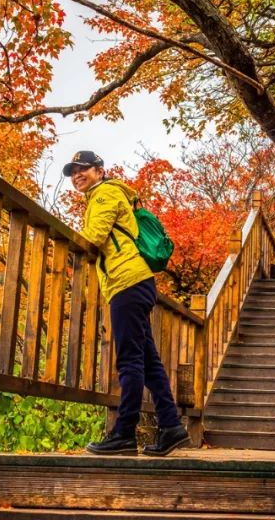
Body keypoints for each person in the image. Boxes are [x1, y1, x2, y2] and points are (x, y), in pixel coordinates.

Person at [63, 150, 189, 457]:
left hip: (126, 282)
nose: (77, 175)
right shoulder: (106, 194)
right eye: (73, 172)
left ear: (99, 170)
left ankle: (123, 433)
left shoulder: (104, 194)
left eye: (83, 169)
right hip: (136, 282)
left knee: (130, 361)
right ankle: (171, 427)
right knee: (148, 362)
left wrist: (68, 244)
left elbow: (94, 236)